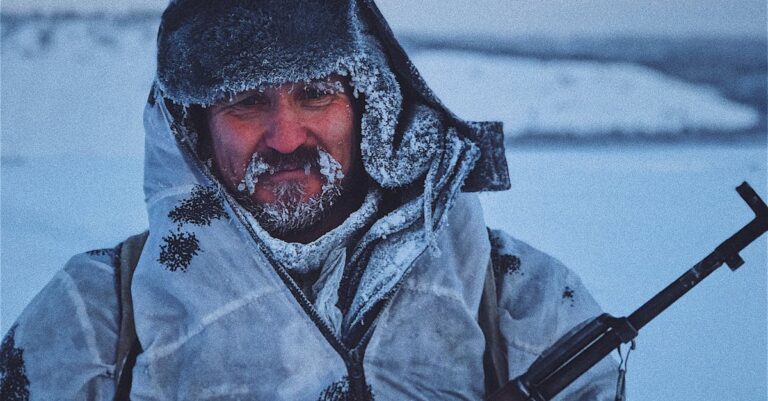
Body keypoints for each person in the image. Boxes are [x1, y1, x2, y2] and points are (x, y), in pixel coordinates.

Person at [0, 1, 617, 400]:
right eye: (245, 103)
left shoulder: (515, 298)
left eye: (316, 94)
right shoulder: (95, 316)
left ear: (370, 109)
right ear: (194, 129)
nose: (286, 137)